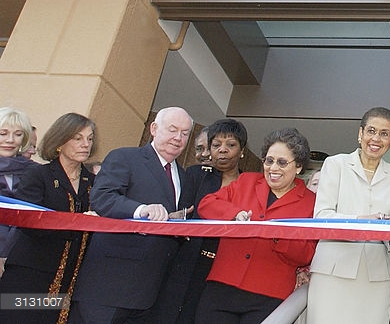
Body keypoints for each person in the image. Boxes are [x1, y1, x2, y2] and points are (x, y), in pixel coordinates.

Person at [70, 106, 196, 324]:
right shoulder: (125, 157)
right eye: (173, 130)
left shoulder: (184, 177)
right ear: (154, 129)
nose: (178, 138)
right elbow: (103, 198)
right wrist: (141, 210)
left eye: (185, 133)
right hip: (108, 285)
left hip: (149, 291)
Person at [196, 127, 317, 323]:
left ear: (298, 167)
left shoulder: (311, 202)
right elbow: (207, 204)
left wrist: (278, 234)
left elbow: (306, 254)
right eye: (269, 161)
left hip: (269, 296)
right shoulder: (246, 181)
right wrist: (234, 214)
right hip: (222, 287)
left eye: (282, 162)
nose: (273, 168)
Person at [308, 107, 390, 323]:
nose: (376, 139)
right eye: (371, 131)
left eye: (384, 133)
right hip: (332, 270)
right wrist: (359, 223)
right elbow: (322, 216)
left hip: (378, 275)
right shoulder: (335, 164)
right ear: (360, 133)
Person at [0, 113, 95, 324]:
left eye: (89, 138)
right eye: (77, 138)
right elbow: (29, 221)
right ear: (60, 141)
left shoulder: (94, 182)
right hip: (30, 275)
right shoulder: (39, 175)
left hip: (69, 278)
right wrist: (77, 223)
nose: (85, 144)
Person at [158, 118, 250, 323]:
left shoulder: (251, 185)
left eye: (231, 145)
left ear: (242, 150)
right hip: (184, 259)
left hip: (222, 268)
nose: (222, 150)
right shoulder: (196, 175)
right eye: (216, 145)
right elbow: (181, 211)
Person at [0, 106, 34, 266]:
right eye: (3, 133)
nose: (10, 140)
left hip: (19, 256)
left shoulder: (35, 172)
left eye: (18, 134)